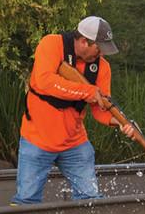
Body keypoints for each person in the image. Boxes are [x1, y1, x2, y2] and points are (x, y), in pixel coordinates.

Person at [11, 16, 137, 204]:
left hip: (74, 143)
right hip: (37, 139)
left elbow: (100, 110)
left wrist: (121, 122)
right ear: (84, 41)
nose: (101, 54)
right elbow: (45, 81)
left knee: (91, 201)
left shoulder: (102, 68)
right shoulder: (51, 44)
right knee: (26, 202)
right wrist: (87, 91)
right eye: (98, 48)